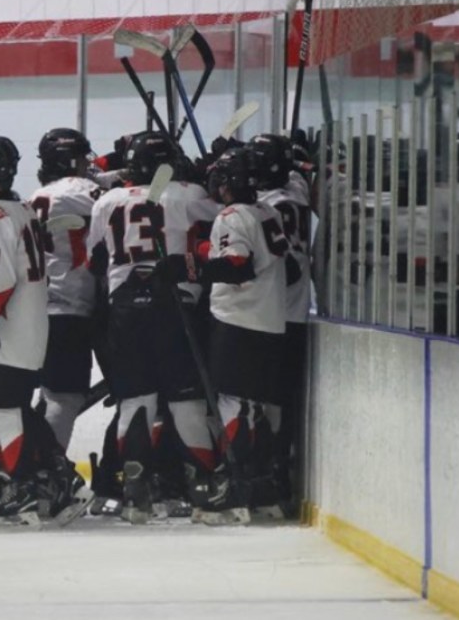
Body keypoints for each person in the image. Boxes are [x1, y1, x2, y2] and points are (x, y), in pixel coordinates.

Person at [87, 130, 222, 524]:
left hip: (124, 310)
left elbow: (95, 257)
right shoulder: (188, 192)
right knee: (185, 401)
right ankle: (203, 486)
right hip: (175, 307)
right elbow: (225, 217)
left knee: (135, 402)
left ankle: (135, 491)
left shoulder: (107, 201)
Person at [0, 136, 90, 526]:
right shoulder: (20, 210)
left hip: (9, 331)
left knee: (6, 411)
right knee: (18, 408)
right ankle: (60, 479)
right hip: (32, 329)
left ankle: (23, 491)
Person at [199, 141, 291, 524]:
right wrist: (208, 250)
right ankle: (263, 488)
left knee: (234, 404)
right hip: (270, 320)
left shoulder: (233, 215)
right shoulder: (268, 211)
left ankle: (236, 486)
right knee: (255, 405)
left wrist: (189, 265)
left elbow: (237, 266)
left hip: (238, 322)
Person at [28, 128, 102, 450]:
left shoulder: (34, 197)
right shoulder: (84, 190)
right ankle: (47, 471)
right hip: (74, 307)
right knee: (65, 397)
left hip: (38, 307)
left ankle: (33, 464)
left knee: (49, 394)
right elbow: (120, 195)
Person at [255, 134, 312, 516]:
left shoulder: (262, 208)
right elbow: (298, 171)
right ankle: (279, 473)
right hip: (298, 314)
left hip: (269, 316)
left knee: (266, 402)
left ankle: (271, 476)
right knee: (280, 402)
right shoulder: (298, 191)